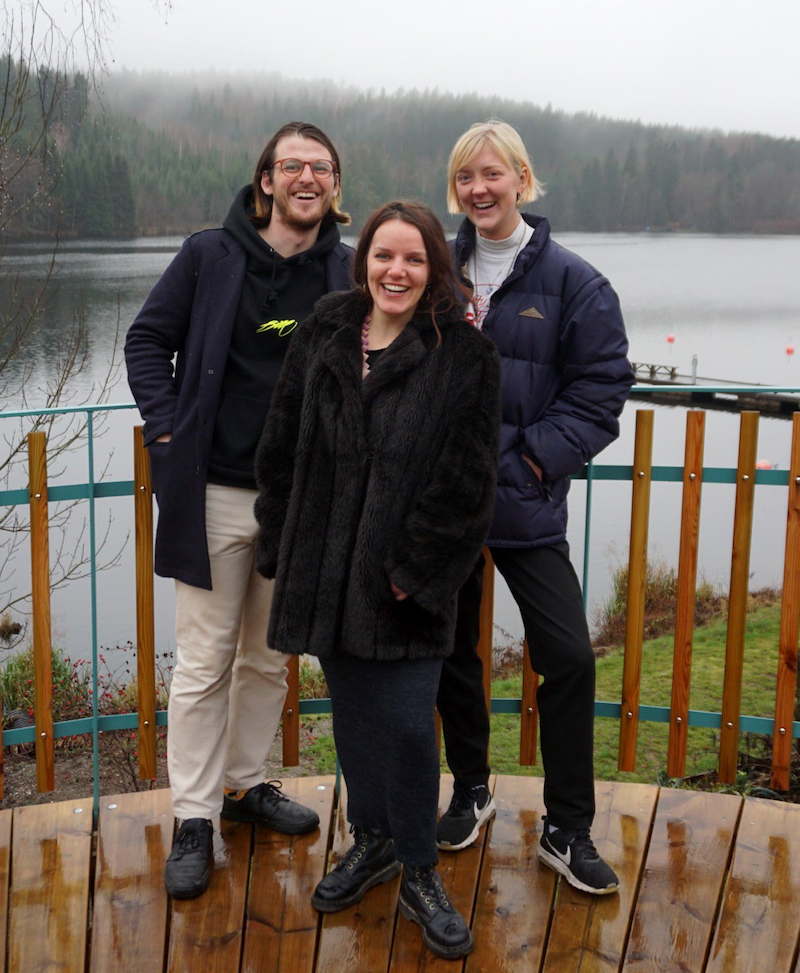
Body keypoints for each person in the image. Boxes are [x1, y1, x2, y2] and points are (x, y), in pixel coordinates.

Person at [254, 201, 501, 959]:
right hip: (324, 570)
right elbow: (283, 442)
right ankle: (372, 840)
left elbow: (466, 483)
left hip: (403, 585)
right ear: (364, 262)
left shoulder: (462, 354)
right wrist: (281, 539)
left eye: (414, 259)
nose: (395, 270)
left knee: (403, 725)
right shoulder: (328, 327)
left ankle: (420, 864)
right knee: (354, 719)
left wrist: (411, 574)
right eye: (382, 256)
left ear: (435, 270)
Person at [124, 122, 354, 899]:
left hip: (298, 503)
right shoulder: (209, 256)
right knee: (201, 661)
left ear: (333, 186)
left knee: (268, 654)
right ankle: (194, 814)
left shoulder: (346, 274)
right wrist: (167, 427)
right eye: (293, 165)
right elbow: (148, 340)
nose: (306, 178)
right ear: (266, 180)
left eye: (321, 168)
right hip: (215, 492)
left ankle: (246, 785)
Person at [434, 120, 634, 896]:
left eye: (490, 174)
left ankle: (566, 826)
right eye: (464, 179)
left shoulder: (574, 282)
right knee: (452, 650)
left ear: (521, 176)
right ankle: (472, 786)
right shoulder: (434, 269)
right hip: (444, 505)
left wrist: (531, 457)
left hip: (523, 501)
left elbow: (601, 389)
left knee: (570, 658)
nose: (478, 190)